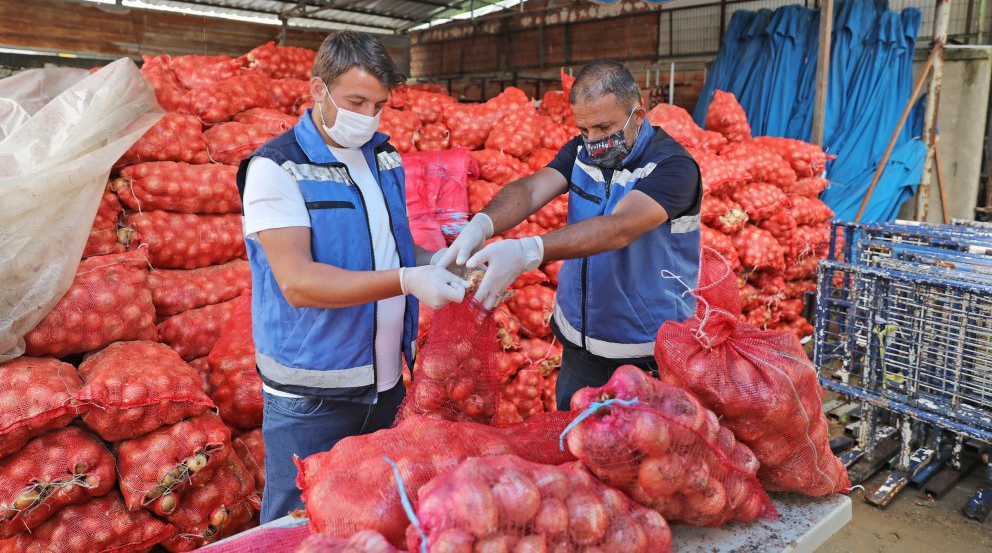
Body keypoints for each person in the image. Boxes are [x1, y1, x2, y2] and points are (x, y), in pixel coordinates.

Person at [236, 31, 469, 523]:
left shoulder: (383, 156)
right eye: (355, 101)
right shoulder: (276, 168)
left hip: (386, 387)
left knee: (372, 519)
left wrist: (440, 260)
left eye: (379, 104)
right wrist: (405, 281)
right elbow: (297, 282)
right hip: (314, 395)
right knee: (296, 526)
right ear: (318, 89)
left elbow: (390, 245)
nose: (368, 115)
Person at [441, 59, 702, 411]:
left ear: (637, 115)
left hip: (645, 354)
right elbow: (532, 190)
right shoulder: (583, 151)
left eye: (603, 127)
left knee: (637, 454)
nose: (593, 141)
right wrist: (483, 223)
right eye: (584, 129)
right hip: (579, 347)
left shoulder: (672, 167)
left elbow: (620, 228)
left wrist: (529, 251)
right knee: (573, 442)